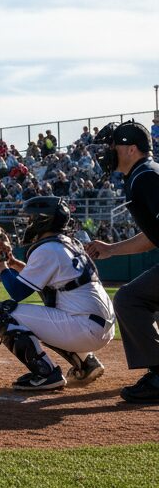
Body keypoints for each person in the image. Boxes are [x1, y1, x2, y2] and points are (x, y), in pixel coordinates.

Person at [0, 197, 114, 390]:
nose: (27, 222)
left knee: (3, 313)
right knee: (48, 311)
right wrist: (12, 263)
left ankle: (46, 373)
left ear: (43, 220)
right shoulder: (68, 243)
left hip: (84, 327)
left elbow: (17, 291)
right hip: (98, 325)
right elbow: (44, 282)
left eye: (31, 218)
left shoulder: (47, 248)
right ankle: (87, 363)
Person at [86, 121, 159, 404]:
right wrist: (112, 250)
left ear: (131, 149)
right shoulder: (144, 174)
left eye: (114, 146)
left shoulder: (146, 177)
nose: (108, 152)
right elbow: (153, 237)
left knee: (130, 299)